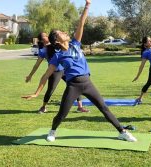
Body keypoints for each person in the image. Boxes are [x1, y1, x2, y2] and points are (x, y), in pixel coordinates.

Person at [22, 0, 137, 142]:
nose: (65, 32)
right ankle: (52, 131)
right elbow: (46, 75)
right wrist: (36, 93)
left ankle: (122, 131)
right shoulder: (58, 56)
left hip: (88, 83)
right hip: (73, 86)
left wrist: (87, 5)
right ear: (57, 41)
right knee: (62, 114)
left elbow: (81, 23)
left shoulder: (75, 44)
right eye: (61, 33)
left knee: (104, 108)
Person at [26, 32, 89, 114]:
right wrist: (30, 75)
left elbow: (67, 49)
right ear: (41, 40)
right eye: (44, 36)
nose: (47, 36)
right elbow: (36, 65)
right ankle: (43, 107)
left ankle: (80, 107)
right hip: (54, 72)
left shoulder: (56, 44)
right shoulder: (43, 50)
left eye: (47, 35)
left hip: (65, 70)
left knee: (75, 84)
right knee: (50, 90)